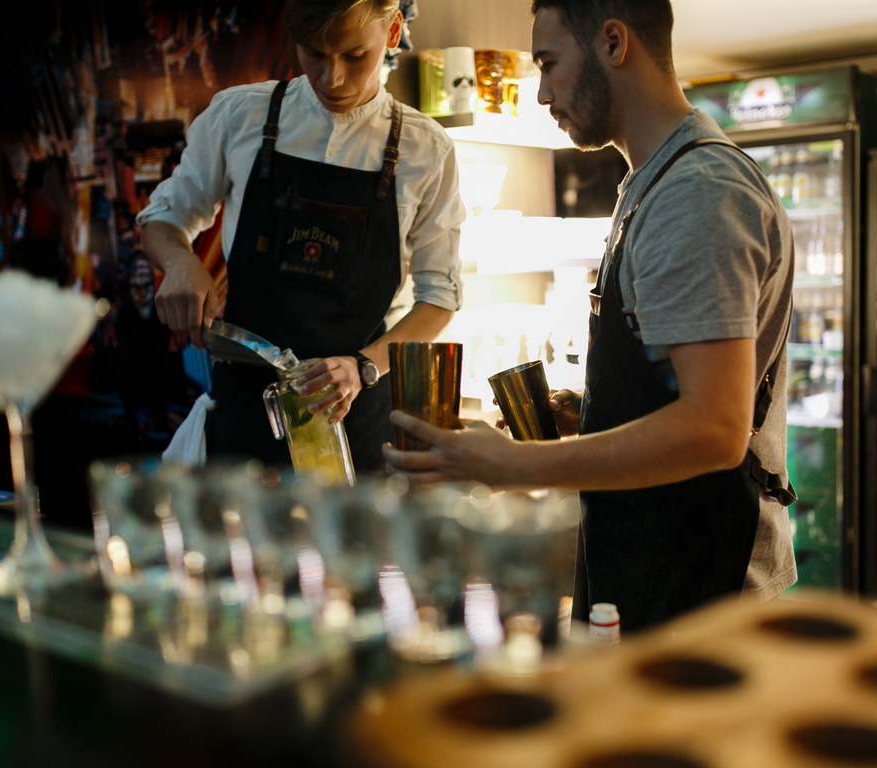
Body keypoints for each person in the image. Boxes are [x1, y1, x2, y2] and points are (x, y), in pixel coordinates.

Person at [383, 0, 797, 634]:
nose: (543, 93)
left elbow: (714, 428)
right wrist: (597, 414)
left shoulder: (696, 192)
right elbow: (676, 388)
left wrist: (514, 466)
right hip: (655, 558)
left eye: (548, 64)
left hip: (704, 579)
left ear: (613, 42)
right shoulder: (652, 182)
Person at [137, 0, 464, 471]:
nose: (332, 78)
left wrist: (363, 366)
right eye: (314, 53)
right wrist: (180, 262)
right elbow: (163, 220)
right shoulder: (240, 115)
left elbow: (440, 298)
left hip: (355, 419)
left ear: (393, 31)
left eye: (354, 55)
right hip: (246, 415)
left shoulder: (425, 149)